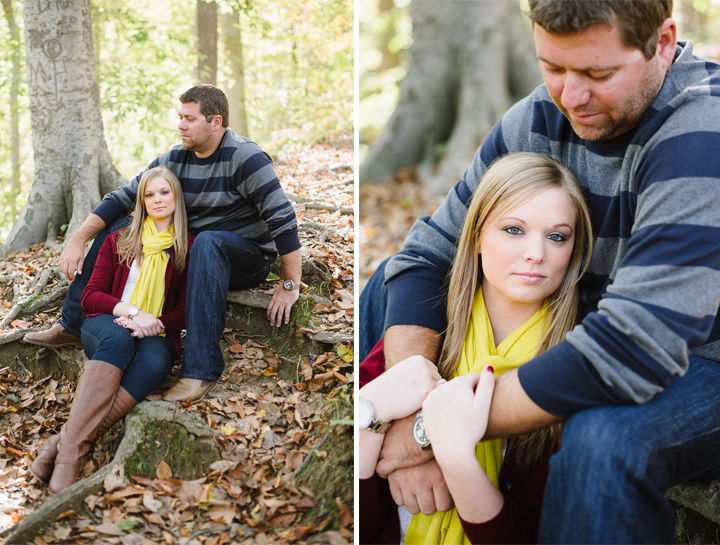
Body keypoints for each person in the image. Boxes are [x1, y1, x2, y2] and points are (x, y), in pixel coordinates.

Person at [360, 1, 720, 542]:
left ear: (663, 42)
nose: (571, 97)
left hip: (700, 359)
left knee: (602, 439)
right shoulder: (538, 118)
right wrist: (411, 397)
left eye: (598, 73)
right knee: (387, 284)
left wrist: (432, 432)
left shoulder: (702, 127)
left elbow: (636, 345)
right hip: (585, 330)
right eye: (553, 67)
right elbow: (427, 255)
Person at [359, 153, 593, 544]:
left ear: (572, 250)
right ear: (477, 236)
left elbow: (529, 534)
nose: (536, 253)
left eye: (556, 236)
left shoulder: (571, 369)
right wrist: (367, 415)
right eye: (514, 230)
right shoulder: (422, 334)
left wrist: (454, 457)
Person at [24, 85, 302, 404]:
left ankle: (201, 370)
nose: (180, 125)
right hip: (192, 247)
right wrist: (78, 238)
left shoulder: (245, 158)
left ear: (216, 122)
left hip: (246, 256)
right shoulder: (175, 158)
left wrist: (289, 283)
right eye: (179, 117)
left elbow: (283, 219)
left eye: (189, 119)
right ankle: (73, 324)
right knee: (121, 224)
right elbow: (123, 198)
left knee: (207, 243)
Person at [29, 166, 194, 494]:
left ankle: (61, 444)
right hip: (105, 321)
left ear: (177, 198)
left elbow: (185, 310)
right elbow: (90, 296)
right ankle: (70, 458)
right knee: (118, 339)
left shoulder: (187, 247)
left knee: (156, 362)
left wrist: (154, 323)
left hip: (154, 330)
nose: (157, 199)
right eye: (149, 194)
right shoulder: (120, 238)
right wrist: (132, 312)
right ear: (142, 201)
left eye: (164, 192)